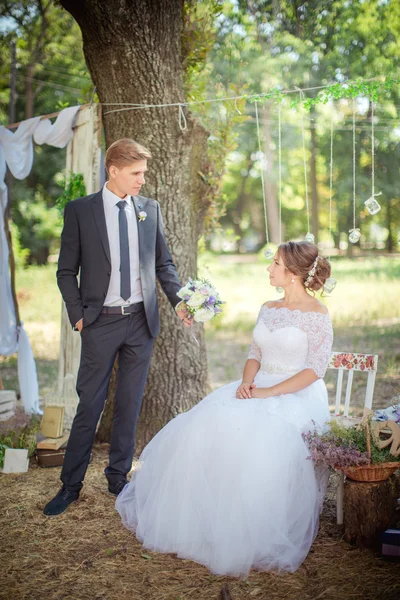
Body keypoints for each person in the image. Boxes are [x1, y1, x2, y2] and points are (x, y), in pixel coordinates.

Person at [116, 241, 334, 577]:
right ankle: (204, 521)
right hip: (256, 386)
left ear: (293, 274)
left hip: (296, 393)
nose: (268, 269)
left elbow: (315, 369)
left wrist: (270, 392)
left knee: (265, 440)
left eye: (274, 263)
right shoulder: (268, 307)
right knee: (205, 426)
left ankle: (249, 529)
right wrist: (248, 385)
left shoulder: (317, 315)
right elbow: (255, 354)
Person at [43, 139, 191, 517]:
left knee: (130, 403)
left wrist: (179, 301)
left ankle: (117, 478)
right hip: (99, 323)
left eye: (144, 173)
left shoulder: (149, 209)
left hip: (141, 322)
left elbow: (164, 264)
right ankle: (70, 485)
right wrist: (78, 315)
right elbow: (65, 271)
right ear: (114, 170)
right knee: (90, 404)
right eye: (136, 173)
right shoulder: (81, 211)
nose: (143, 180)